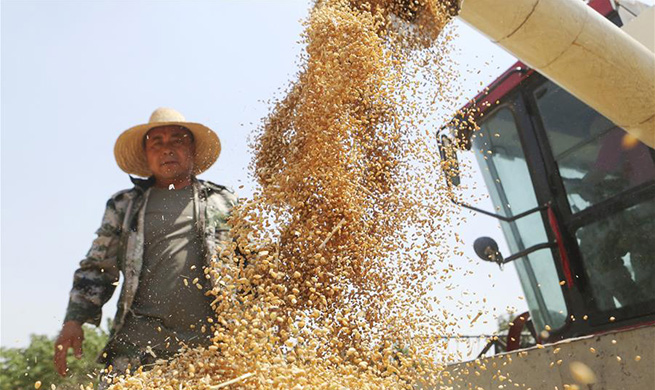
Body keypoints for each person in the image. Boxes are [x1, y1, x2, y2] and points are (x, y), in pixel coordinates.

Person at [53, 108, 238, 387]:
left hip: (209, 352)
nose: (167, 149)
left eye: (177, 140)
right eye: (157, 143)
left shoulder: (224, 202)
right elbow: (98, 267)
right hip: (137, 352)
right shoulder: (125, 205)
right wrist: (74, 319)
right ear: (146, 154)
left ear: (192, 149)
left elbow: (253, 268)